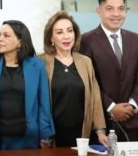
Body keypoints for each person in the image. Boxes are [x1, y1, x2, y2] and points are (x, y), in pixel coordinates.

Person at [0, 20, 54, 150]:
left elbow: (43, 103)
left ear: (20, 42)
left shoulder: (37, 66)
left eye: (6, 35)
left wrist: (45, 134)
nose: (0, 39)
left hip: (29, 138)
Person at [80, 0, 138, 140]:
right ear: (99, 11)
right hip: (101, 124)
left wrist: (132, 105)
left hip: (132, 122)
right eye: (110, 8)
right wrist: (111, 107)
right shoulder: (86, 40)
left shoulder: (135, 39)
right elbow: (89, 82)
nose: (116, 14)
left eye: (121, 8)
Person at [37, 11, 107, 148]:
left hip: (81, 133)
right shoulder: (40, 62)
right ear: (51, 38)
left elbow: (95, 98)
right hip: (51, 135)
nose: (66, 36)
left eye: (70, 31)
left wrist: (100, 131)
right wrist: (42, 134)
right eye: (60, 32)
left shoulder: (85, 62)